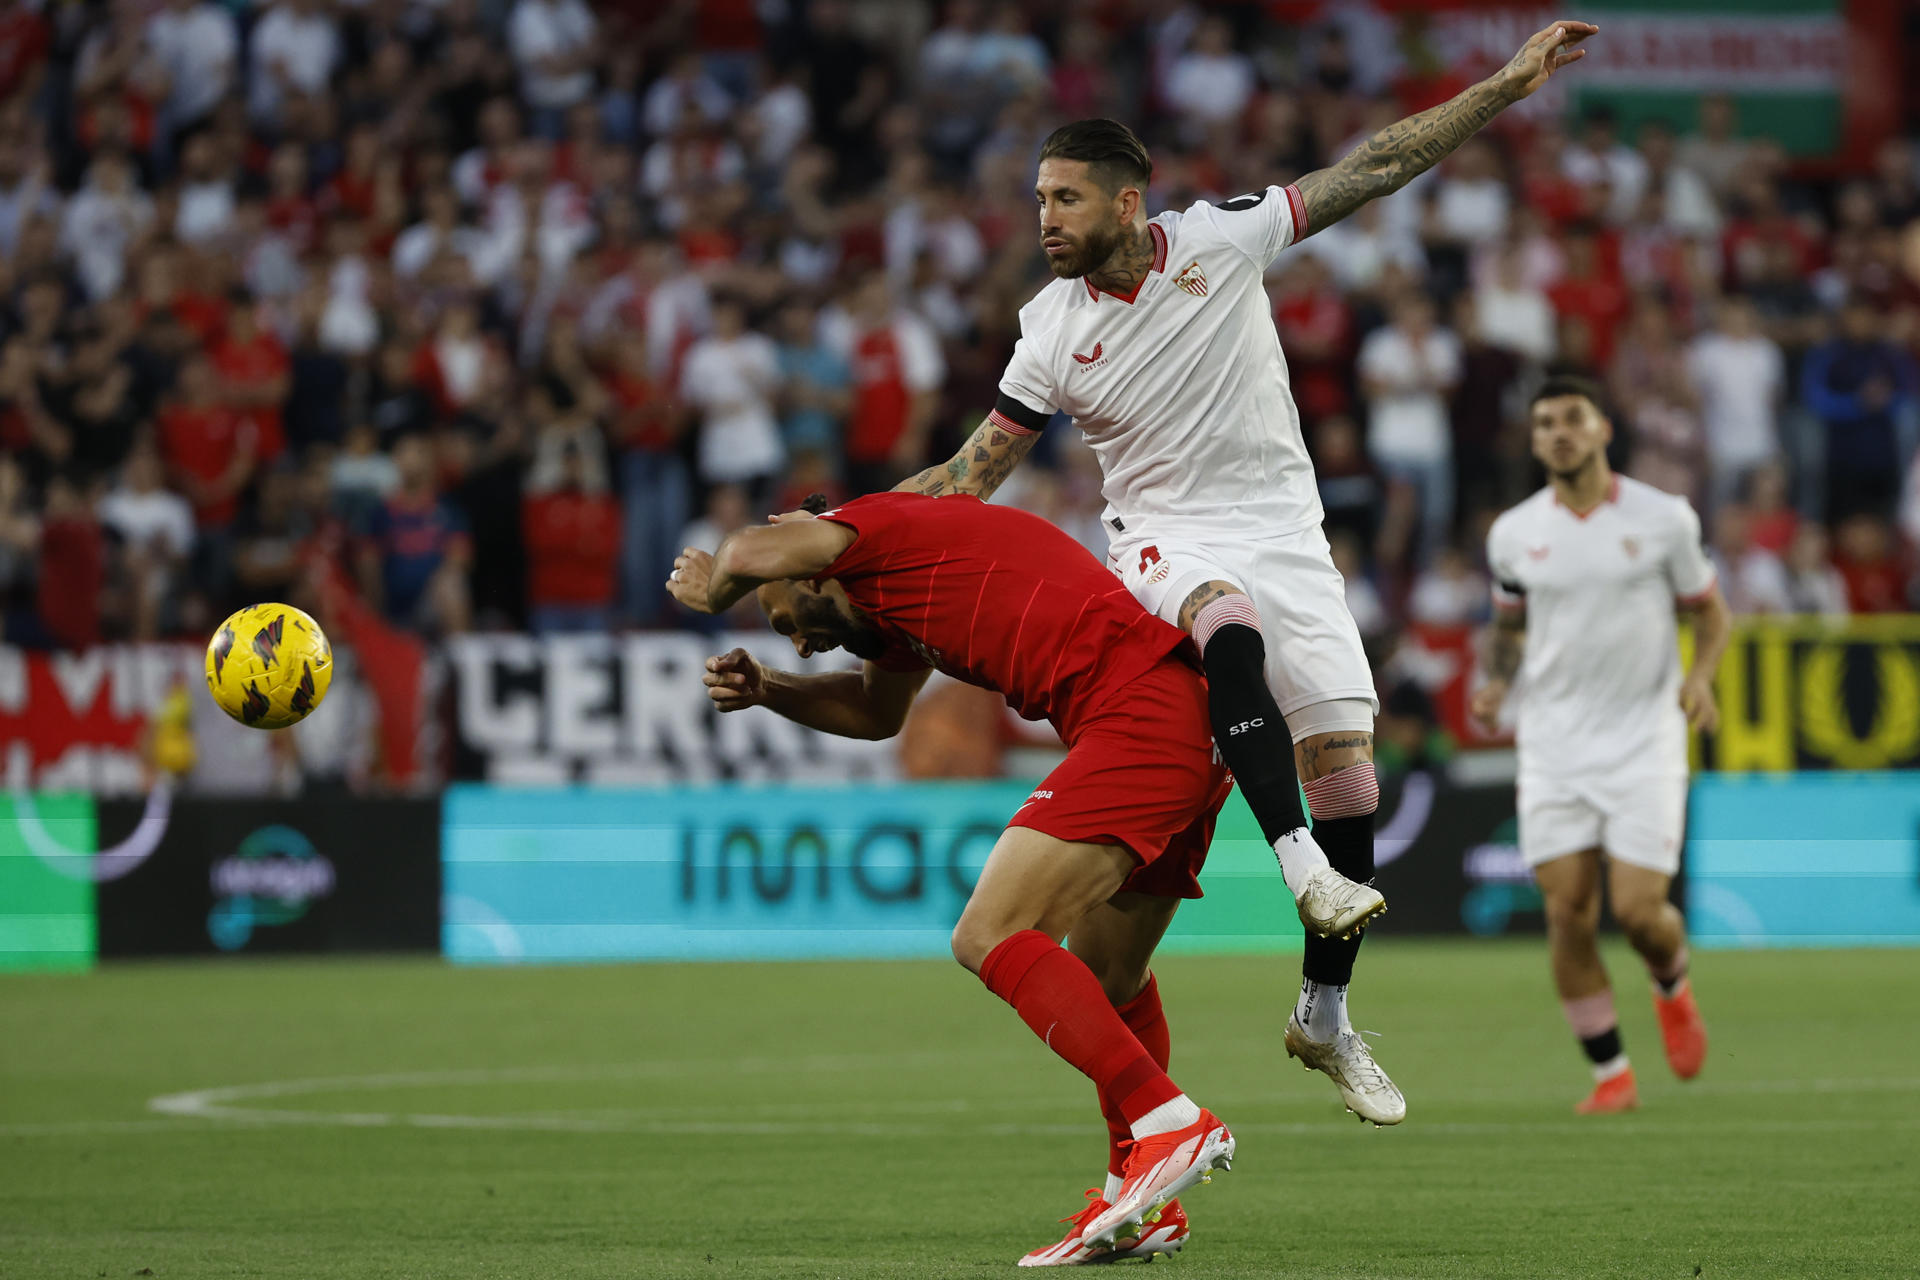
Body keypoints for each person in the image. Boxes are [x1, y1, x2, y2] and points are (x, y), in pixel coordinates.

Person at [895, 18, 1600, 1124]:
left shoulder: (1219, 241)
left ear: (1129, 203)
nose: (1046, 220)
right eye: (1039, 200)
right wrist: (854, 537)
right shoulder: (1047, 331)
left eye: (1066, 200)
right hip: (1163, 538)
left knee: (1352, 782)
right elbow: (971, 470)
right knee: (1226, 624)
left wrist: (1505, 85)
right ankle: (1296, 865)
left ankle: (1323, 1014)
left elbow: (1375, 165)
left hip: (1287, 525)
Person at [667, 490, 1322, 1266]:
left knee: (990, 932)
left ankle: (1168, 1121)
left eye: (784, 622)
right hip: (1179, 711)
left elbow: (743, 555)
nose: (800, 646)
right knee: (1108, 977)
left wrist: (714, 589)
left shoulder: (866, 531)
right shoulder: (893, 602)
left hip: (1136, 707)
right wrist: (770, 689)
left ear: (802, 563)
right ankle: (1133, 1200)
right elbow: (880, 716)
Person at [1470, 376, 1731, 1114]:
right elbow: (1510, 625)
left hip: (1644, 737)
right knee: (1567, 913)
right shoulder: (1514, 533)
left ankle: (1671, 983)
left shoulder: (1664, 519)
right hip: (1552, 743)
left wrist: (1702, 678)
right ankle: (1611, 1073)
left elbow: (1711, 615)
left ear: (1603, 429)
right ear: (1533, 439)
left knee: (1643, 913)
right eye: (1545, 422)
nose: (1559, 432)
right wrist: (1496, 683)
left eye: (1573, 419)